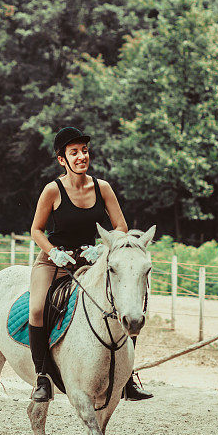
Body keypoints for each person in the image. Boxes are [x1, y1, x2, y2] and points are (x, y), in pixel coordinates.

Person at [28, 126, 153, 402]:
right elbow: (36, 230)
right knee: (37, 309)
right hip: (55, 262)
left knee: (126, 304)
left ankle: (127, 379)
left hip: (91, 263)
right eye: (74, 153)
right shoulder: (52, 190)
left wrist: (103, 247)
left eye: (84, 151)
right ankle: (42, 377)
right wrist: (53, 252)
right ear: (62, 160)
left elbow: (121, 225)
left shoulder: (102, 188)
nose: (81, 156)